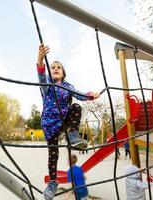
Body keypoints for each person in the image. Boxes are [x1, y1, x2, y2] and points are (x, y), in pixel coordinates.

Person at [37, 44, 100, 200]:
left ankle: (72, 135)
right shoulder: (47, 86)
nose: (56, 69)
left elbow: (80, 95)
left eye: (59, 67)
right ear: (50, 73)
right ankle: (52, 183)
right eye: (53, 68)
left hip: (64, 121)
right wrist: (40, 59)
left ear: (63, 73)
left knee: (76, 107)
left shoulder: (67, 86)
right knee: (53, 153)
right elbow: (41, 75)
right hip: (50, 124)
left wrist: (92, 95)